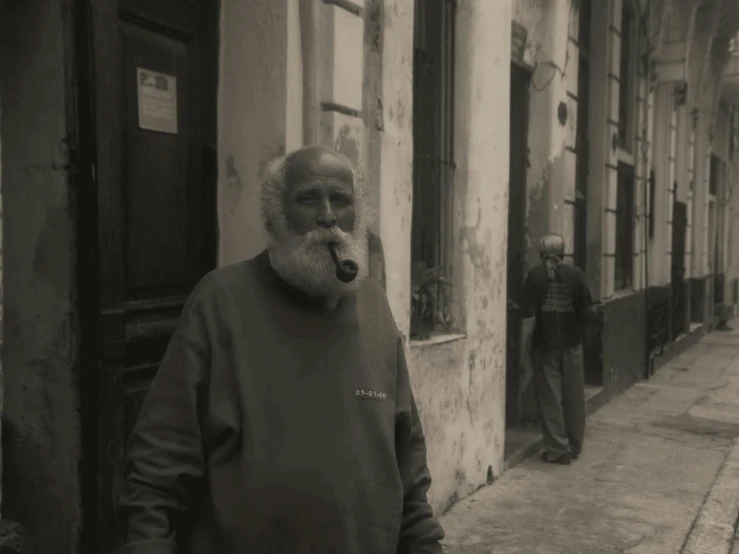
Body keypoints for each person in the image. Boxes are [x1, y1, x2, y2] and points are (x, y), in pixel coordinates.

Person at [118, 145, 445, 553]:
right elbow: (158, 461)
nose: (328, 216)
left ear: (357, 216)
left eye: (341, 200)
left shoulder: (375, 307)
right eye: (308, 198)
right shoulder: (220, 302)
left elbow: (407, 463)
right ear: (276, 216)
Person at [517, 234, 601, 465]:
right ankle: (574, 445)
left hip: (545, 345)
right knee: (574, 395)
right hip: (572, 344)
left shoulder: (535, 275)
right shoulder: (576, 275)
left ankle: (558, 449)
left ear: (541, 253)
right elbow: (587, 308)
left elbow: (526, 311)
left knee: (550, 396)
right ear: (564, 253)